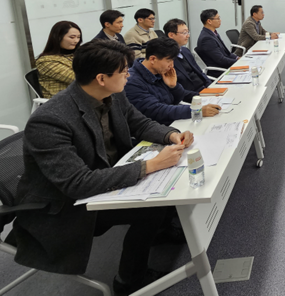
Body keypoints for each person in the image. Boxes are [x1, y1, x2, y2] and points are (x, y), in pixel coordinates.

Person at [12, 40, 194, 295]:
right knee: (151, 208)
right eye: (123, 72)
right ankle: (129, 281)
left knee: (163, 193)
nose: (128, 76)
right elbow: (77, 183)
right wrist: (150, 165)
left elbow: (140, 124)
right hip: (64, 205)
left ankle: (159, 235)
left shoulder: (114, 94)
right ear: (101, 78)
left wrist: (171, 135)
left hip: (103, 175)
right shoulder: (50, 120)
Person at [125, 37, 221, 125]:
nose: (172, 65)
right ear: (153, 59)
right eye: (169, 61)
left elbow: (177, 100)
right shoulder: (132, 81)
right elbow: (156, 111)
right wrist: (194, 110)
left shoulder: (160, 71)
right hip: (159, 126)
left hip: (173, 120)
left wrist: (173, 86)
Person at [35, 21, 82, 98]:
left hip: (82, 97)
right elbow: (76, 78)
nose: (76, 40)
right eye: (72, 37)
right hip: (63, 102)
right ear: (58, 37)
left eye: (78, 37)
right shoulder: (46, 61)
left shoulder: (76, 54)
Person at [164, 18, 211, 94]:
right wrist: (200, 95)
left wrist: (210, 86)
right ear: (171, 35)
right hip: (193, 96)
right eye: (184, 33)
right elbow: (177, 89)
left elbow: (199, 71)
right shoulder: (166, 58)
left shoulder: (185, 51)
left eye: (188, 32)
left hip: (205, 89)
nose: (188, 36)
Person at [196, 9, 238, 76]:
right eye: (217, 18)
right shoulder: (206, 39)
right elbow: (221, 60)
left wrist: (237, 58)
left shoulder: (213, 33)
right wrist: (238, 62)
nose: (220, 20)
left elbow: (227, 53)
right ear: (209, 21)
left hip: (225, 67)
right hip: (220, 71)